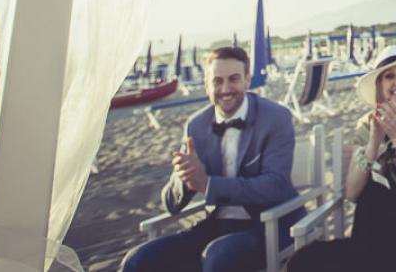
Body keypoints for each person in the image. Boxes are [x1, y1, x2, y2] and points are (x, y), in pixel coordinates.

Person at [120, 47, 301, 272]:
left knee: (219, 256)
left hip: (269, 226)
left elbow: (275, 186)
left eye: (233, 79)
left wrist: (208, 185)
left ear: (247, 80)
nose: (225, 89)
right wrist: (184, 177)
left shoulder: (276, 118)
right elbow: (170, 204)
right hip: (215, 226)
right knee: (137, 260)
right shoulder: (196, 125)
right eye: (217, 81)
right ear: (206, 85)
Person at [288, 47, 396, 272]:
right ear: (380, 84)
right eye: (390, 76)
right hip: (369, 232)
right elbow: (353, 192)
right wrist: (374, 142)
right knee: (302, 262)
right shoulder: (367, 124)